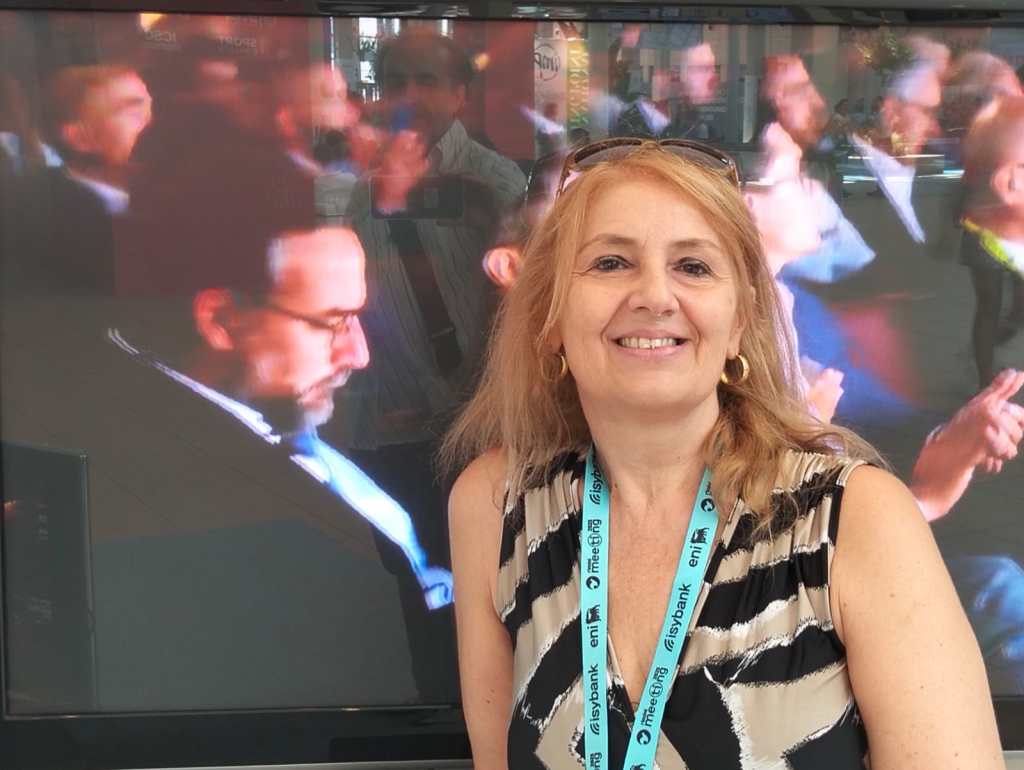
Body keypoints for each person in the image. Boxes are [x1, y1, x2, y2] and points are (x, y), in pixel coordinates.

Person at [443, 141, 1002, 768]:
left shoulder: (856, 516)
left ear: (739, 322)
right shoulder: (496, 507)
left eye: (693, 266)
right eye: (610, 262)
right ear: (550, 317)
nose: (654, 295)